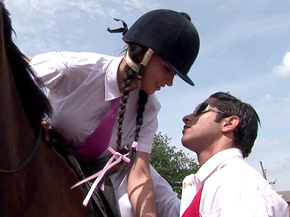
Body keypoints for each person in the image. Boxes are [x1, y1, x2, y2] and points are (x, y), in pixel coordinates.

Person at [29, 9, 200, 217]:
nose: (170, 82)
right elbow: (13, 72)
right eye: (167, 70)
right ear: (143, 54)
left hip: (103, 175)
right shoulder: (74, 68)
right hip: (46, 152)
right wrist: (32, 117)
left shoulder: (150, 109)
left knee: (130, 208)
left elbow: (140, 172)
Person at [180, 91, 289, 217]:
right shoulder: (218, 183)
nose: (186, 117)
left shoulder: (236, 184)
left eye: (201, 109)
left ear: (229, 123)